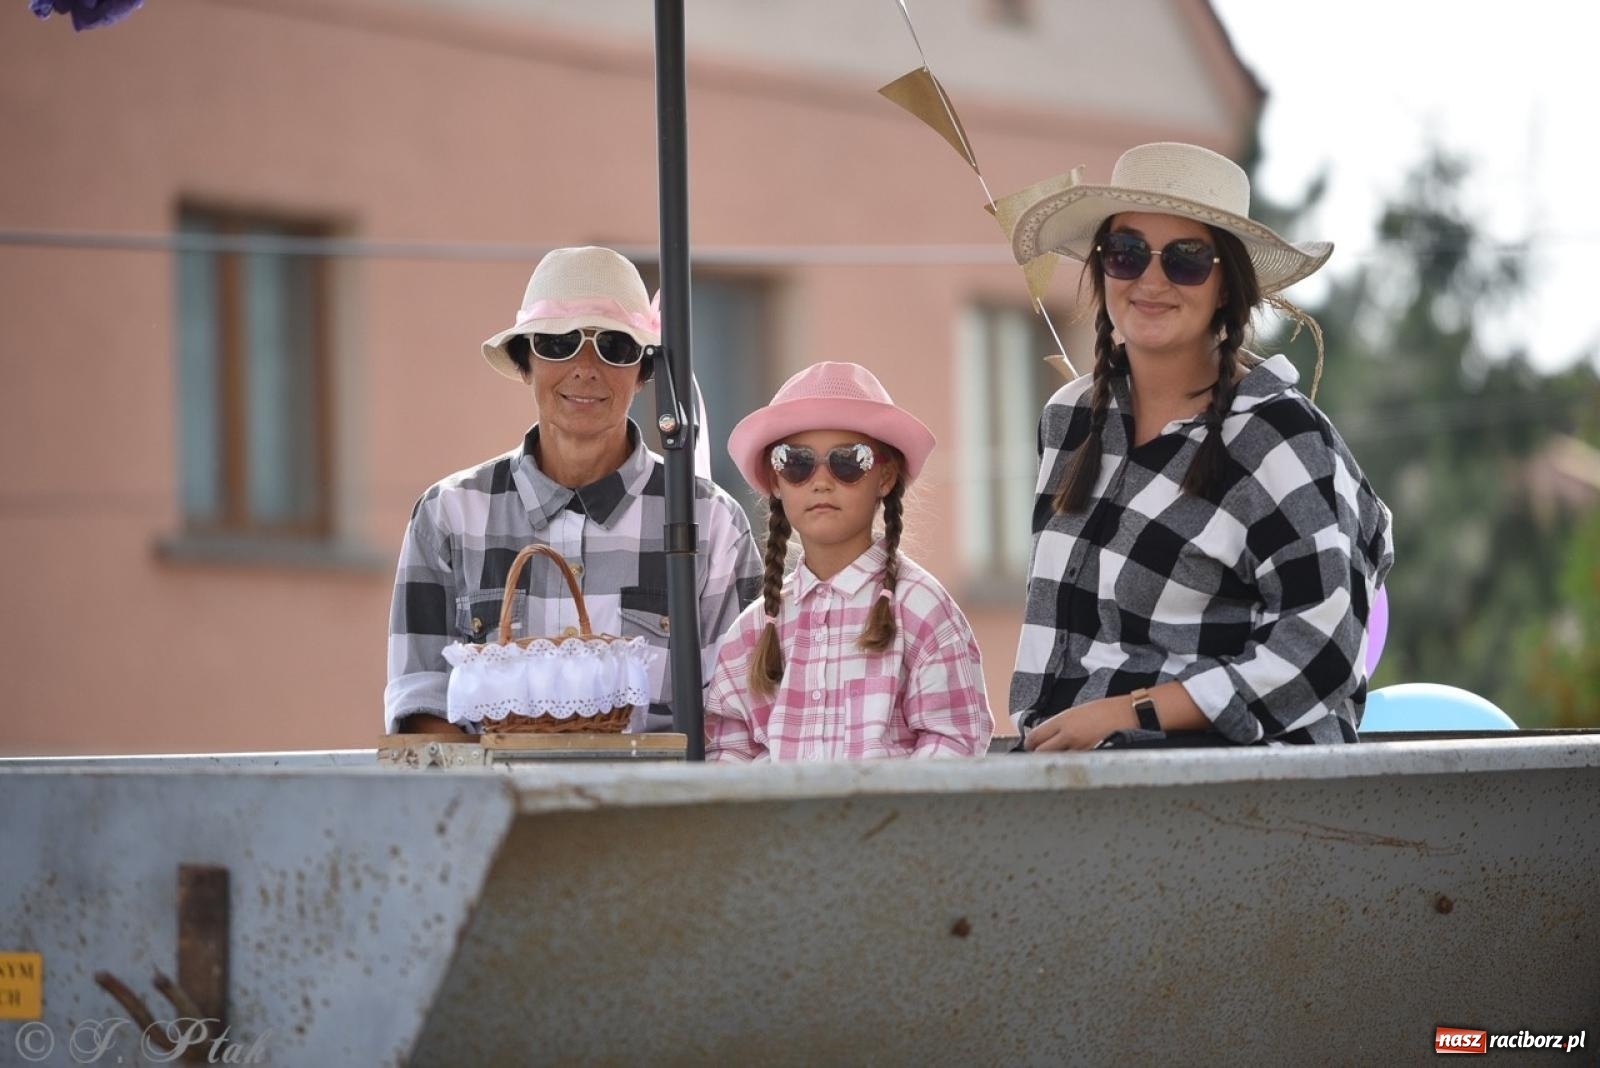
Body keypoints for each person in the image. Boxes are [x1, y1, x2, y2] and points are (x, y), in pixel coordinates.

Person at [1002, 142, 1394, 750]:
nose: (1150, 279)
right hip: (1071, 788)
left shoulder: (1278, 437)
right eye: (1126, 253)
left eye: (1186, 260)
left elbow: (1325, 646)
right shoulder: (1070, 420)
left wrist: (1132, 712)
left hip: (1233, 798)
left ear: (1226, 286)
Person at [384, 246, 761, 735]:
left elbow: (742, 716)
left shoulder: (711, 522)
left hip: (658, 812)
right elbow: (421, 705)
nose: (586, 367)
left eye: (615, 347)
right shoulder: (447, 516)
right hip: (499, 810)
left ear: (643, 371)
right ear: (526, 362)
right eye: (559, 344)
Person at [705, 362, 994, 761]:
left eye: (848, 462)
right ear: (775, 480)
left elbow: (954, 741)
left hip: (893, 823)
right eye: (796, 462)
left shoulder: (922, 610)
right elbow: (728, 755)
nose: (821, 481)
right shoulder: (751, 633)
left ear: (886, 477)